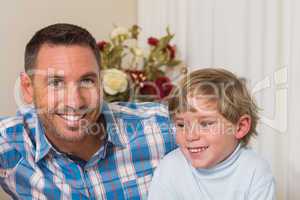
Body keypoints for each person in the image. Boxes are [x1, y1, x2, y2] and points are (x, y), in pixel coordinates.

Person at [0, 23, 176, 199]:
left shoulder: (161, 128)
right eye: (56, 83)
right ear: (27, 88)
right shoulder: (10, 143)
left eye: (87, 81)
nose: (75, 102)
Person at [148, 68, 276, 199]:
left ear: (240, 127)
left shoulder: (255, 171)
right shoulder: (170, 167)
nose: (190, 136)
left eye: (205, 124)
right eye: (181, 125)